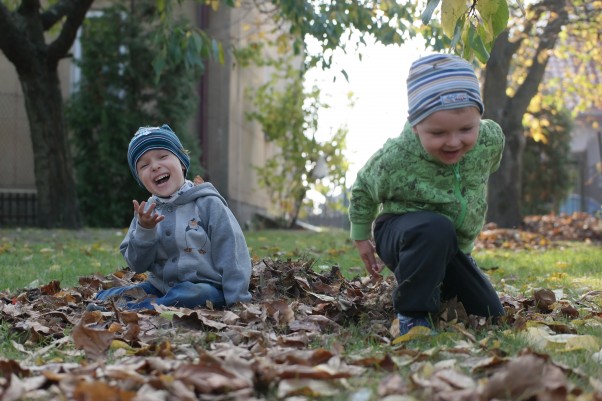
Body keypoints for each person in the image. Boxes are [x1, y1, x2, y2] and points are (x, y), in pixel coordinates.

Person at [348, 53, 505, 335]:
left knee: (490, 313)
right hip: (401, 232)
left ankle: (436, 285)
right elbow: (362, 188)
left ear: (479, 118)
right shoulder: (396, 157)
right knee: (434, 227)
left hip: (451, 247)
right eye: (438, 133)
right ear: (415, 124)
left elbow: (489, 163)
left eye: (466, 129)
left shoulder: (489, 140)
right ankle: (413, 314)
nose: (454, 142)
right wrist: (361, 237)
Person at [91, 124, 252, 310]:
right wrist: (145, 231)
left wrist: (238, 300)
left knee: (192, 295)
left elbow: (233, 252)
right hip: (160, 286)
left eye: (163, 156)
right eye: (144, 165)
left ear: (182, 163)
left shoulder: (208, 203)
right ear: (140, 179)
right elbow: (138, 264)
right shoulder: (146, 213)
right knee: (131, 291)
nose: (155, 166)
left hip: (206, 286)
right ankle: (108, 304)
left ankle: (139, 309)